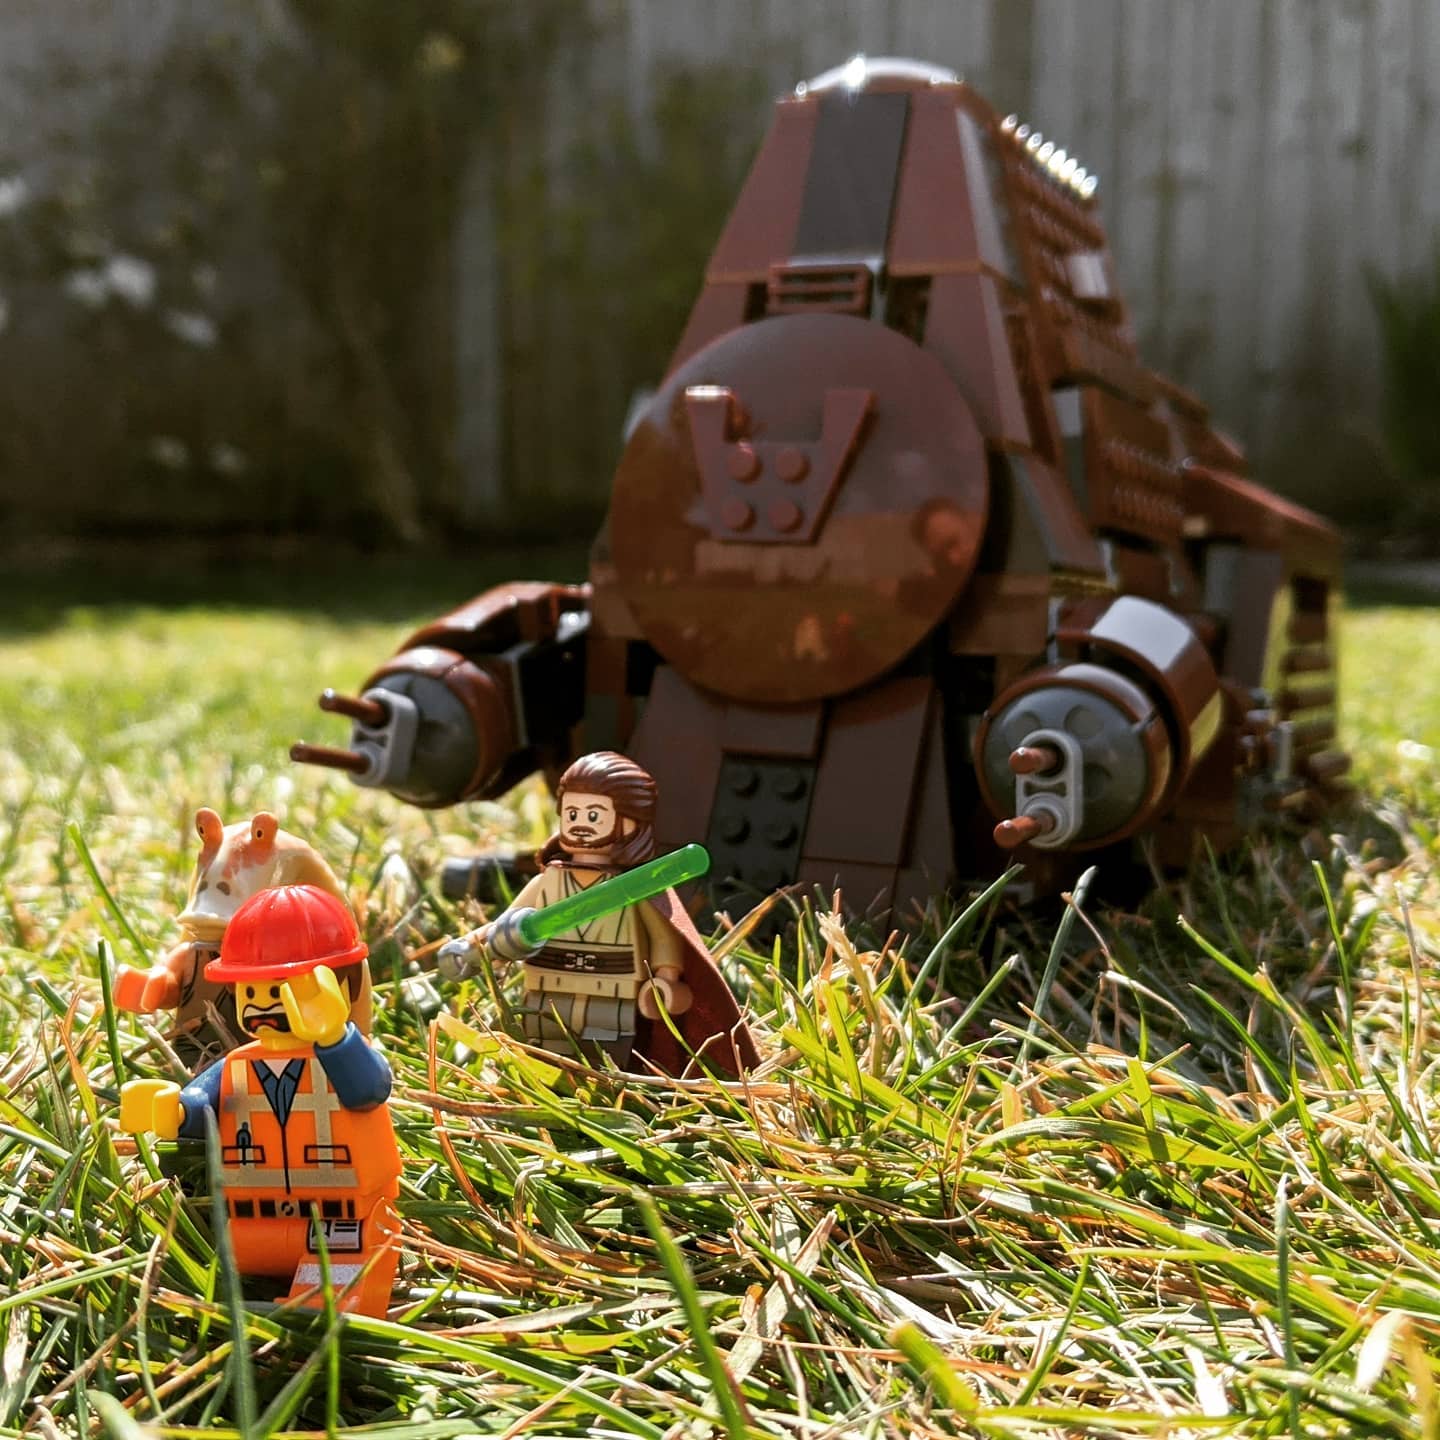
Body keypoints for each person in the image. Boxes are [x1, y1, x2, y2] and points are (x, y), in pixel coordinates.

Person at [120, 884, 401, 1317]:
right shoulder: (240, 1064)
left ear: (339, 986)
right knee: (241, 1253)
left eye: (280, 991)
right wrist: (174, 1109)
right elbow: (205, 1103)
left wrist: (333, 1036)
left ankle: (324, 1301)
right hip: (255, 1213)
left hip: (347, 1212)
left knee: (335, 1268)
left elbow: (368, 1090)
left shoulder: (342, 1056)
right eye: (251, 993)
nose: (262, 1007)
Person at [442, 751, 757, 1076]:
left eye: (594, 815)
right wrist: (472, 947)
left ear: (629, 822)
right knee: (543, 1050)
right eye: (572, 813)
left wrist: (665, 978)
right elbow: (503, 926)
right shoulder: (547, 882)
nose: (580, 824)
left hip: (611, 993)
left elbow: (664, 938)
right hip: (547, 990)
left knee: (604, 1061)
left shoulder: (636, 888)